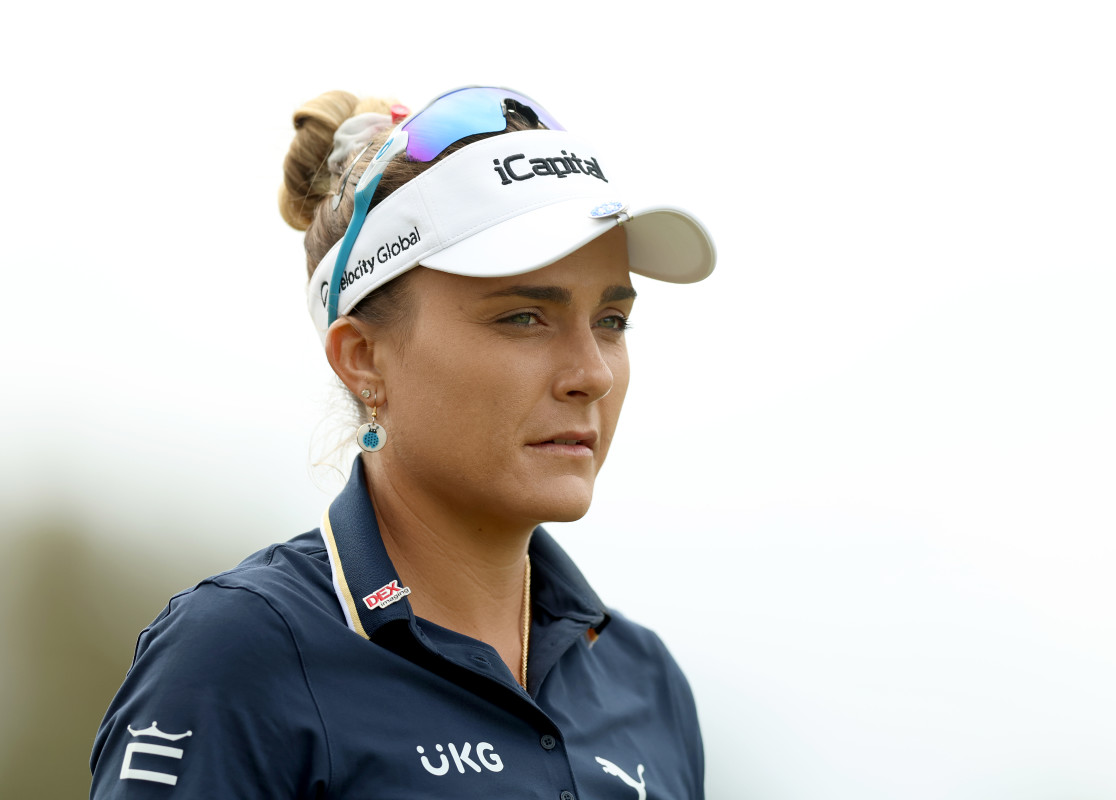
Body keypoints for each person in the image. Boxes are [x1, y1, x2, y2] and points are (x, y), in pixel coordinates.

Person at [90, 86, 716, 799]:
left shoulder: (646, 681)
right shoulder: (237, 652)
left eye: (610, 320)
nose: (591, 374)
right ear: (363, 358)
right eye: (522, 317)